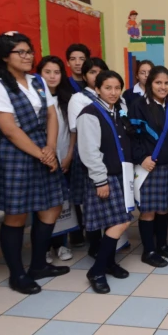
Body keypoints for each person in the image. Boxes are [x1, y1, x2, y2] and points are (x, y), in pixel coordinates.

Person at [0, 32, 69, 295]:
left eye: (29, 51)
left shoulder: (38, 81)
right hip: (14, 153)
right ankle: (17, 273)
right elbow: (9, 129)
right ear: (5, 55)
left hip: (43, 148)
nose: (27, 56)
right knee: (16, 214)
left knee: (52, 207)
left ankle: (39, 264)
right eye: (21, 52)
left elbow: (52, 115)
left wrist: (51, 148)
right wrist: (42, 154)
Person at [76, 71, 134, 293]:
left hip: (120, 175)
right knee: (120, 221)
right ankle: (97, 270)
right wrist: (100, 181)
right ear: (97, 89)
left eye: (117, 88)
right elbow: (90, 151)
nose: (113, 92)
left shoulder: (118, 111)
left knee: (116, 221)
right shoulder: (89, 113)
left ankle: (109, 263)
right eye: (108, 88)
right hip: (104, 177)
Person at [130, 66, 168, 267]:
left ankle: (162, 245)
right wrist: (141, 157)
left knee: (163, 209)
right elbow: (132, 136)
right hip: (149, 166)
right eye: (158, 82)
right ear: (150, 83)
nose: (163, 87)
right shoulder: (138, 106)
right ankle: (148, 250)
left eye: (166, 83)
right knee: (149, 210)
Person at [67, 58, 110, 255]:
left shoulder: (112, 97)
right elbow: (81, 132)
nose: (97, 75)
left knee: (108, 202)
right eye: (93, 72)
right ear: (84, 76)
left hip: (109, 155)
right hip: (88, 156)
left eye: (101, 71)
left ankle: (110, 243)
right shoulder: (79, 99)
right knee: (92, 203)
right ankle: (95, 246)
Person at [36, 56, 75, 263]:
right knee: (42, 206)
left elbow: (73, 132)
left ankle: (61, 243)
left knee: (63, 203)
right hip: (42, 158)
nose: (52, 76)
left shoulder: (67, 98)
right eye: (47, 72)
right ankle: (42, 248)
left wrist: (69, 156)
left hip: (64, 157)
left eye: (56, 72)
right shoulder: (34, 99)